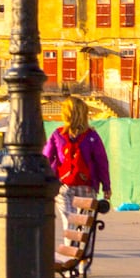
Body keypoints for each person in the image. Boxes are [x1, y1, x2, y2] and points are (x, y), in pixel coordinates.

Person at [43, 97, 111, 232]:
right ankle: (80, 244)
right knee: (85, 227)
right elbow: (101, 162)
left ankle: (72, 244)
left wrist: (46, 180)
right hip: (87, 187)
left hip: (64, 187)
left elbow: (46, 158)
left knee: (70, 225)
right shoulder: (92, 136)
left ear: (66, 114)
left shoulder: (58, 135)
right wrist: (106, 186)